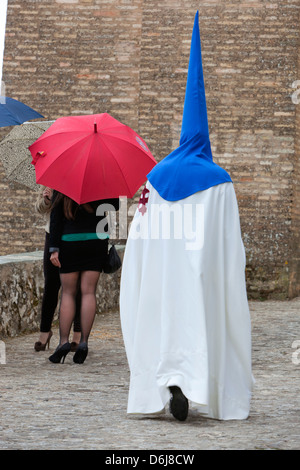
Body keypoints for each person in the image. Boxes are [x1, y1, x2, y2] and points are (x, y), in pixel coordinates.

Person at [120, 11, 254, 422]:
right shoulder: (218, 181)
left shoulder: (156, 176)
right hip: (200, 273)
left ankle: (166, 383)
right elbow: (230, 245)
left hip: (163, 274)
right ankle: (203, 387)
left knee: (164, 323)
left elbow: (139, 232)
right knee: (204, 322)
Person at [48, 191, 119, 364]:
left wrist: (54, 248)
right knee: (88, 292)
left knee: (68, 293)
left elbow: (56, 218)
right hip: (95, 241)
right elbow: (114, 206)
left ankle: (63, 342)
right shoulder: (101, 182)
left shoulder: (64, 184)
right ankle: (84, 343)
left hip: (69, 242)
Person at [34, 186, 81, 352]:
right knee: (51, 286)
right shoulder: (51, 180)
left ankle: (77, 334)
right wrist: (47, 200)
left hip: (75, 234)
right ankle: (45, 332)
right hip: (52, 234)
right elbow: (39, 208)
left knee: (78, 288)